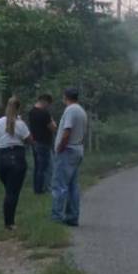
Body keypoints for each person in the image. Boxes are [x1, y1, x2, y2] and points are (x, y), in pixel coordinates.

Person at [0, 96, 32, 231]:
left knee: (9, 190)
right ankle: (9, 223)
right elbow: (29, 140)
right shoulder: (20, 124)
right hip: (16, 158)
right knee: (12, 192)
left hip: (1, 158)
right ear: (18, 108)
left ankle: (8, 220)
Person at [51, 88, 87, 227]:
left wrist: (60, 147)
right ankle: (72, 216)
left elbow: (67, 131)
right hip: (77, 148)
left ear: (65, 97)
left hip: (68, 149)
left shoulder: (71, 110)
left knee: (59, 185)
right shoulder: (81, 110)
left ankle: (57, 216)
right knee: (72, 185)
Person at [26, 93, 56, 194]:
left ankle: (37, 188)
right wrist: (51, 119)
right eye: (48, 104)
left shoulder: (31, 112)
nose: (49, 106)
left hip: (35, 142)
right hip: (44, 143)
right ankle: (46, 188)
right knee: (47, 167)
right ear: (45, 101)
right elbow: (53, 128)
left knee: (37, 167)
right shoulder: (45, 113)